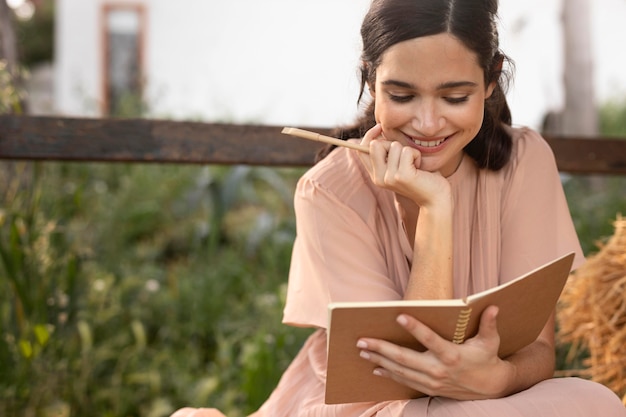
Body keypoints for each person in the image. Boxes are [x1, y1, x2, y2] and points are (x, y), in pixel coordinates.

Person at [171, 0, 626, 415]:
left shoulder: (525, 160)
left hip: (489, 401)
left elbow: (536, 351)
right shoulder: (328, 191)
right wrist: (434, 208)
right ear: (371, 80)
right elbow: (407, 380)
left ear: (491, 80)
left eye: (454, 97)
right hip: (379, 406)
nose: (427, 124)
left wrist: (498, 377)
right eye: (403, 96)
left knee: (596, 402)